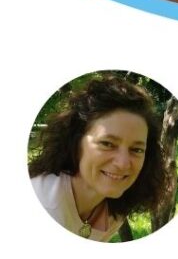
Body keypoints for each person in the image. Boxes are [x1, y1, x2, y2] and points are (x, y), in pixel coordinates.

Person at [28, 74, 167, 241]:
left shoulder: (113, 211)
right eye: (107, 144)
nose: (123, 163)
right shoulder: (42, 204)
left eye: (136, 149)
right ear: (75, 142)